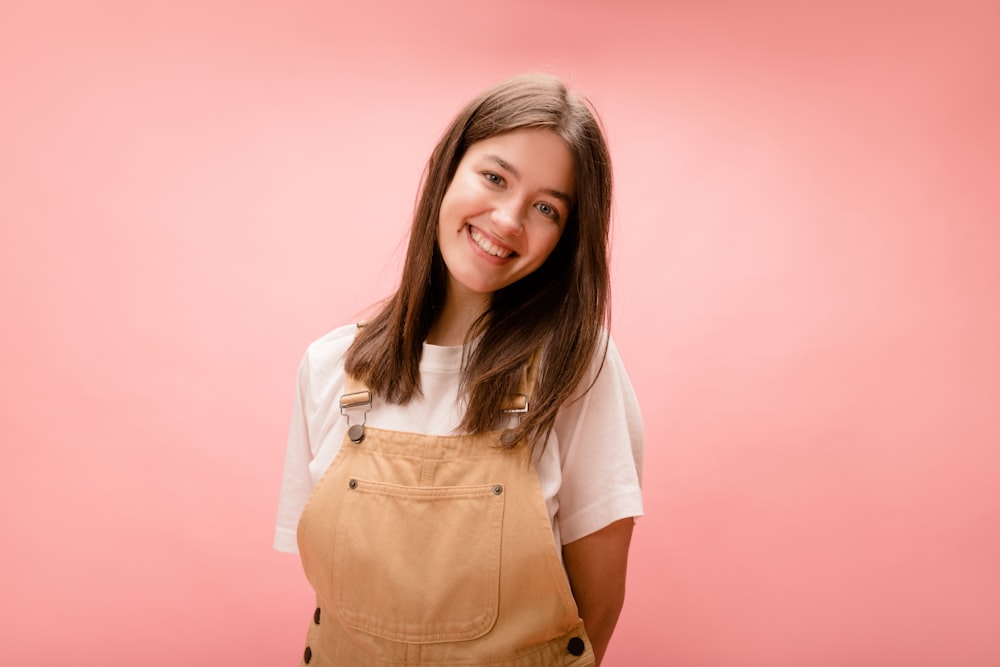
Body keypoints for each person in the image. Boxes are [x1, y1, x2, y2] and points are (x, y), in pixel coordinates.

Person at [274, 72, 644, 667]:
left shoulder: (577, 370)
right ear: (448, 170)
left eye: (545, 207)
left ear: (565, 237)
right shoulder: (328, 367)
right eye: (494, 178)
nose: (506, 220)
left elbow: (597, 613)